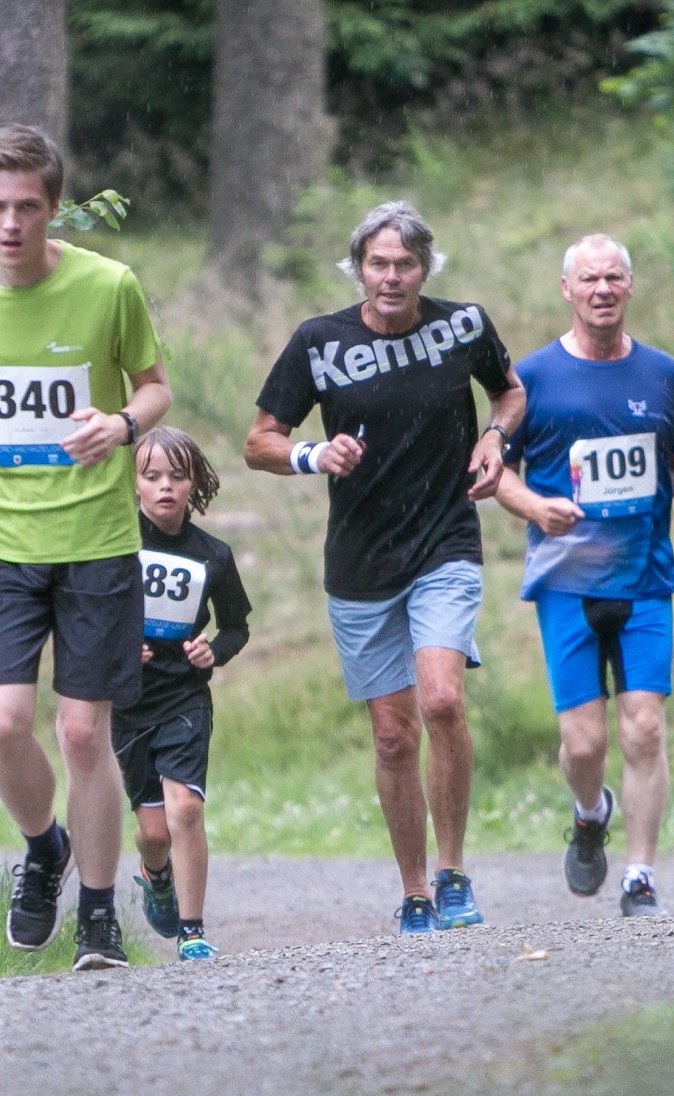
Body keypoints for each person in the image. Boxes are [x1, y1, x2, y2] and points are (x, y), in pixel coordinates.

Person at [0, 123, 171, 971]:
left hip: (96, 537)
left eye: (28, 206)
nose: (11, 222)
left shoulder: (108, 287)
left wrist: (123, 424)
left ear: (54, 207)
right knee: (0, 726)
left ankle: (98, 914)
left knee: (82, 734)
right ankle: (44, 847)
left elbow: (155, 386)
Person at [244, 200, 524, 935]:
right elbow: (259, 441)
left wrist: (495, 437)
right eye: (378, 264)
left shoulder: (464, 325)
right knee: (394, 736)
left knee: (442, 701)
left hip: (445, 541)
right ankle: (414, 891)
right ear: (358, 270)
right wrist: (314, 454)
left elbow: (510, 390)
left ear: (426, 269)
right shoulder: (319, 342)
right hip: (361, 559)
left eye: (405, 264)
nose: (392, 276)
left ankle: (453, 873)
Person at [494, 233, 674, 915]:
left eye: (614, 277)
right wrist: (536, 507)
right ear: (566, 289)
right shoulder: (530, 378)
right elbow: (495, 471)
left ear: (630, 285)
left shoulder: (663, 373)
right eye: (589, 279)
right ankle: (591, 812)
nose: (603, 290)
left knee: (644, 728)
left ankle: (639, 876)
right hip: (566, 581)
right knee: (584, 743)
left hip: (645, 577)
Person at [114, 426, 251, 961]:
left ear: (196, 482)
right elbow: (89, 610)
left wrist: (213, 651)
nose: (165, 486)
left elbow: (236, 626)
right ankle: (157, 875)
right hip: (129, 702)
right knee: (153, 833)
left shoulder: (213, 554)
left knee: (186, 809)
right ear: (135, 484)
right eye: (152, 476)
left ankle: (192, 931)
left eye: (176, 475)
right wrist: (120, 648)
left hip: (185, 699)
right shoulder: (116, 544)